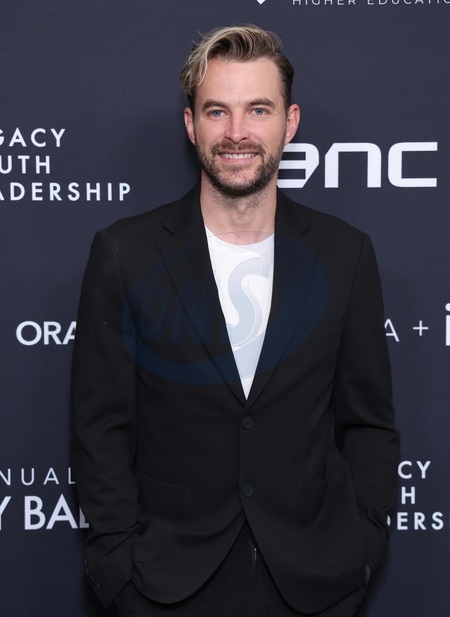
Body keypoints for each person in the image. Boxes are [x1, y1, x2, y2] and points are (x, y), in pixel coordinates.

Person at [71, 25, 399, 617]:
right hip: (164, 584)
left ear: (290, 123)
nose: (237, 133)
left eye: (258, 110)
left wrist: (364, 546)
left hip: (315, 581)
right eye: (217, 111)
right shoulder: (125, 254)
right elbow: (100, 429)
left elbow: (369, 422)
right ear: (191, 124)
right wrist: (118, 569)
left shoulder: (344, 254)